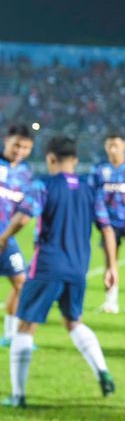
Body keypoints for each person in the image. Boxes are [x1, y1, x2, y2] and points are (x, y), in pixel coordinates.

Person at [0, 136, 118, 408]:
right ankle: (102, 370)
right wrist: (111, 266)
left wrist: (4, 237)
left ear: (51, 158)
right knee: (73, 321)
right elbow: (107, 228)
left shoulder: (44, 185)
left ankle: (18, 396)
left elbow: (24, 216)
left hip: (47, 267)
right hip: (78, 269)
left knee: (25, 326)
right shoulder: (90, 189)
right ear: (75, 160)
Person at [89, 131, 125, 315]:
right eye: (109, 145)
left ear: (124, 145)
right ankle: (110, 302)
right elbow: (92, 194)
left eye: (116, 144)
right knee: (110, 261)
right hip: (108, 221)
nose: (112, 148)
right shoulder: (99, 168)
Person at [0, 124, 35, 346]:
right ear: (6, 141)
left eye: (25, 147)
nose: (20, 151)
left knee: (22, 282)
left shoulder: (25, 174)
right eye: (16, 145)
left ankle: (10, 335)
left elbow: (26, 209)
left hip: (5, 239)